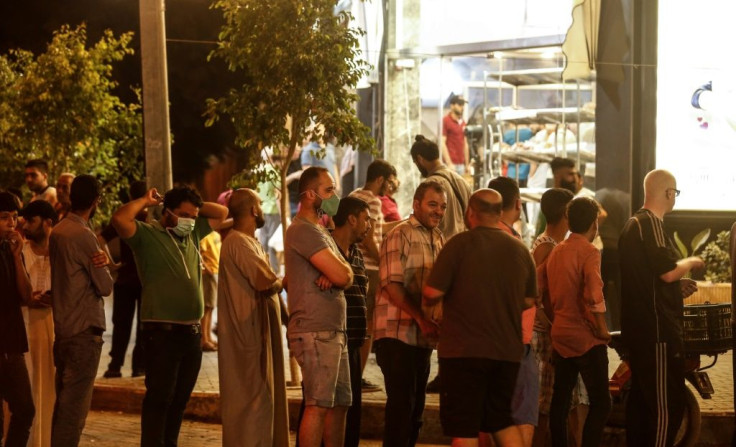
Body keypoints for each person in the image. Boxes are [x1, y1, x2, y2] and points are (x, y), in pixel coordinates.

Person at [111, 185, 228, 447]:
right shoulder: (146, 235)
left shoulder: (194, 233)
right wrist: (146, 200)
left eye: (194, 216)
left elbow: (221, 211)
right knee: (159, 399)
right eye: (184, 215)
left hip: (191, 335)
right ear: (167, 213)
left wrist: (192, 206)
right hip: (161, 334)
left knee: (179, 401)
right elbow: (119, 219)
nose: (190, 221)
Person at [422, 188, 537, 447]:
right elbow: (530, 300)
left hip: (463, 351)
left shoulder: (458, 245)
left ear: (470, 213)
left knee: (464, 426)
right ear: (499, 213)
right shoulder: (520, 250)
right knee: (501, 420)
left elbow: (431, 292)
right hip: (506, 352)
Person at [619, 169, 703, 446]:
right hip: (657, 333)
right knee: (667, 407)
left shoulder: (632, 225)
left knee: (642, 407)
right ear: (669, 193)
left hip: (640, 331)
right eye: (675, 193)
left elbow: (647, 281)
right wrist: (690, 261)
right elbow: (667, 272)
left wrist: (675, 289)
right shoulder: (650, 223)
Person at [373, 180, 446, 447]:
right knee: (401, 408)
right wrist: (421, 318)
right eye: (433, 204)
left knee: (416, 411)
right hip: (396, 333)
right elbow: (392, 286)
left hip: (422, 336)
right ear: (416, 204)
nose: (438, 211)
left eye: (443, 206)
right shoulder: (400, 233)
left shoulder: (438, 237)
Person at [285, 166, 354, 447]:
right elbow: (343, 275)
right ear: (310, 194)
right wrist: (338, 273)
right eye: (328, 190)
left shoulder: (321, 229)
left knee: (339, 404)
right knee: (318, 404)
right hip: (315, 331)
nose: (334, 196)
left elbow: (347, 271)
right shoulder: (303, 230)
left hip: (333, 330)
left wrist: (339, 272)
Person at [217, 189, 289, 447]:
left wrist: (286, 317)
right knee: (252, 401)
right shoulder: (237, 242)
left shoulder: (249, 241)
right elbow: (265, 282)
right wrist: (287, 280)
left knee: (264, 398)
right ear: (254, 211)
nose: (261, 208)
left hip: (258, 332)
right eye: (259, 203)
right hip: (246, 336)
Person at [49, 175, 113, 446]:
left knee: (63, 407)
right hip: (84, 331)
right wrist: (107, 265)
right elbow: (105, 286)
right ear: (96, 201)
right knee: (73, 412)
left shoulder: (59, 230)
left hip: (64, 328)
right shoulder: (84, 236)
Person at [545, 197, 612, 447]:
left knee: (560, 401)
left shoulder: (556, 250)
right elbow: (594, 293)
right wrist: (602, 329)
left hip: (560, 336)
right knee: (602, 403)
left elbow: (541, 286)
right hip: (586, 338)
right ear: (594, 223)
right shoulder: (590, 251)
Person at [487, 176, 539, 446]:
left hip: (484, 342)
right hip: (515, 341)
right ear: (517, 203)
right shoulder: (513, 245)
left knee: (487, 418)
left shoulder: (471, 241)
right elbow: (525, 297)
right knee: (521, 417)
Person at [529, 188, 575, 447]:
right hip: (544, 334)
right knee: (542, 405)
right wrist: (553, 325)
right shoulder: (548, 246)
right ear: (567, 213)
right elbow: (538, 293)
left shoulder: (550, 243)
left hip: (548, 330)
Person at [349, 159, 400, 387]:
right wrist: (385, 264)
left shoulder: (354, 196)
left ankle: (352, 374)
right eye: (387, 182)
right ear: (379, 179)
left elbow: (376, 228)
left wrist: (402, 224)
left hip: (353, 265)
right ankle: (357, 376)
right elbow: (370, 239)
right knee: (367, 326)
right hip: (370, 268)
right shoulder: (374, 201)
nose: (387, 188)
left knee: (354, 323)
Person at [329, 197, 371, 447]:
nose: (369, 226)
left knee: (351, 409)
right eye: (365, 219)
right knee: (326, 406)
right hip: (332, 342)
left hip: (353, 342)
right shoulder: (326, 248)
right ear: (352, 219)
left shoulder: (356, 253)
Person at [100, 181, 148, 378]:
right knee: (144, 325)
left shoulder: (123, 219)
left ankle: (115, 365)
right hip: (146, 280)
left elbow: (100, 239)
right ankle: (139, 366)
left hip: (126, 279)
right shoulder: (152, 218)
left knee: (121, 324)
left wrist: (111, 264)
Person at [20, 199, 58, 447]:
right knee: (26, 391)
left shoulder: (63, 252)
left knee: (51, 390)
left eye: (31, 221)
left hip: (55, 329)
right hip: (24, 328)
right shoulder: (19, 252)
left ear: (48, 223)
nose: (25, 225)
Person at [0, 191, 35, 447]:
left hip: (12, 341)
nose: (12, 223)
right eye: (4, 217)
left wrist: (16, 257)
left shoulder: (11, 249)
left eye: (14, 217)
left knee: (24, 409)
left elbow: (25, 295)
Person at [411, 135, 471, 242]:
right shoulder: (462, 181)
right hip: (462, 246)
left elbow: (420, 222)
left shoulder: (430, 185)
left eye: (416, 163)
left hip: (441, 249)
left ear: (420, 159)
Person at [200, 231, 221, 351]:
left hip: (216, 272)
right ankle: (204, 339)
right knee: (207, 307)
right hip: (209, 274)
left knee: (211, 306)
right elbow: (200, 254)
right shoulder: (205, 236)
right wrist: (207, 269)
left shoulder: (216, 235)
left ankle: (208, 337)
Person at [441, 94, 470, 175]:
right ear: (452, 105)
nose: (462, 107)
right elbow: (442, 142)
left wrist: (467, 164)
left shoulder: (463, 122)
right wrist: (449, 163)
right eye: (460, 104)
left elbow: (465, 143)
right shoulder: (445, 121)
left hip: (461, 164)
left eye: (463, 105)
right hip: (450, 165)